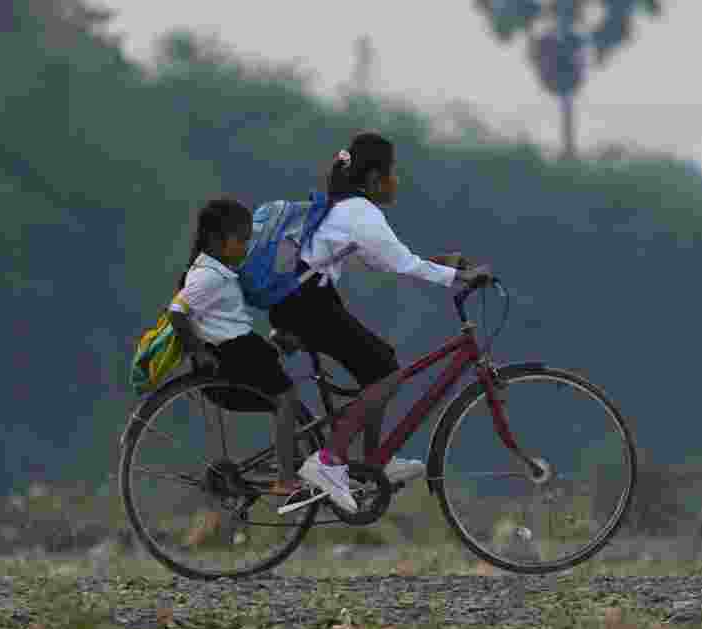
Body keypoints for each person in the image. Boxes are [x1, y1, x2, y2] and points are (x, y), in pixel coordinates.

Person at [269, 131, 491, 514]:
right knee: (388, 376)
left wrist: (442, 264)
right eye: (393, 173)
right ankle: (329, 460)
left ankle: (374, 463)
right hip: (307, 304)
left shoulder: (349, 208)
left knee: (382, 364)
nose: (396, 181)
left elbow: (383, 259)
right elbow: (401, 263)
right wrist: (459, 278)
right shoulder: (360, 211)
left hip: (305, 299)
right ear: (374, 179)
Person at [168, 198, 308, 499]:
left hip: (240, 350)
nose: (246, 247)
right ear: (216, 240)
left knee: (284, 399)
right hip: (231, 357)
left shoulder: (218, 270)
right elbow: (177, 312)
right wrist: (198, 351)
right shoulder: (207, 276)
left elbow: (225, 321)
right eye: (241, 240)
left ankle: (293, 460)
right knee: (286, 400)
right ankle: (286, 476)